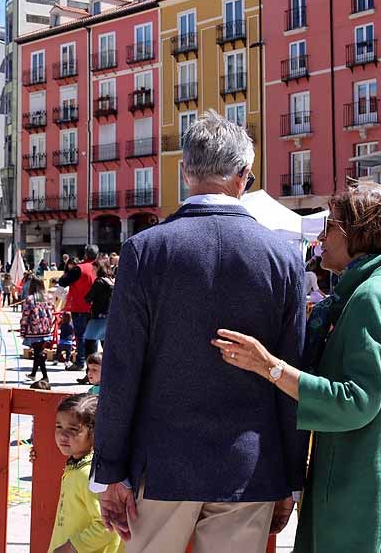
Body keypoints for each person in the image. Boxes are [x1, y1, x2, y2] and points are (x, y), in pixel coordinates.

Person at [95, 114, 305, 552]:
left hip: (162, 462)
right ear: (244, 176)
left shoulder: (145, 250)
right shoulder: (283, 257)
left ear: (185, 172)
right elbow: (290, 372)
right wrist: (290, 477)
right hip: (249, 464)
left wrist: (110, 471)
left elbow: (121, 368)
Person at [215, 183, 381, 552]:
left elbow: (354, 401)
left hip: (362, 495)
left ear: (357, 233)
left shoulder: (370, 299)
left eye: (329, 225)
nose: (320, 237)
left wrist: (269, 366)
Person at [47, 394, 120, 553]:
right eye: (59, 426)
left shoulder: (90, 475)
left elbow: (107, 525)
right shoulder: (78, 466)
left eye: (73, 429)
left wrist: (71, 547)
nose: (63, 435)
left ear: (95, 432)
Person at [58, 246, 98, 371]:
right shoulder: (99, 268)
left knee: (81, 337)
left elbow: (63, 282)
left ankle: (80, 362)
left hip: (80, 307)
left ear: (85, 255)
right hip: (95, 307)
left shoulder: (79, 268)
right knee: (93, 338)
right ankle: (93, 366)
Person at [80, 255, 114, 385]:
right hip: (109, 318)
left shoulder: (99, 282)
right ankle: (106, 374)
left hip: (97, 318)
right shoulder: (112, 280)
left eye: (94, 268)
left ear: (99, 268)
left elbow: (88, 298)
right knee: (107, 347)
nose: (93, 271)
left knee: (89, 345)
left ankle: (89, 373)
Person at [19, 274, 54, 384]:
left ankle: (45, 376)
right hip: (45, 328)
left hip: (34, 329)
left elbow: (25, 315)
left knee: (38, 353)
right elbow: (51, 314)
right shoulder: (46, 297)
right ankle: (33, 374)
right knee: (37, 351)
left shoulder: (29, 299)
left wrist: (23, 329)